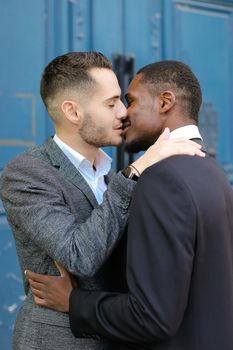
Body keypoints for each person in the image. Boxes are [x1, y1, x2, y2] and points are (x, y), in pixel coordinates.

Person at [0, 53, 204, 350]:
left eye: (122, 100)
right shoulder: (28, 173)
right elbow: (79, 256)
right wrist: (135, 172)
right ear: (73, 112)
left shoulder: (110, 175)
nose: (123, 112)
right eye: (111, 104)